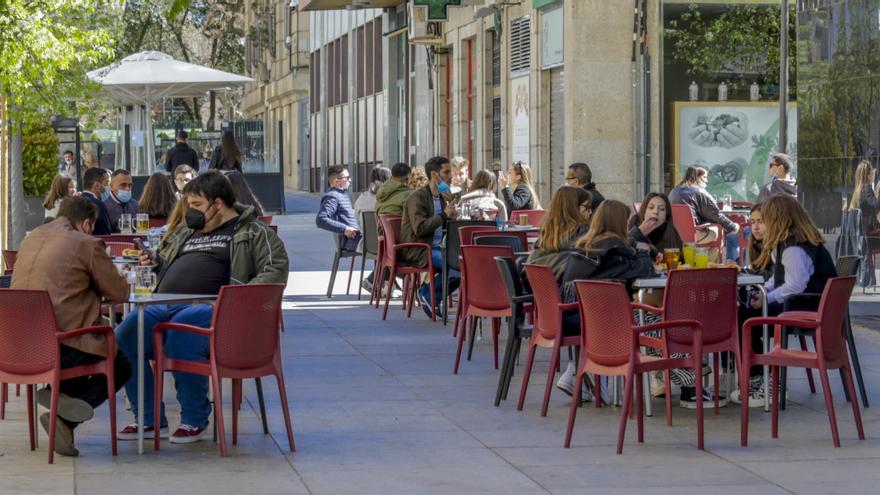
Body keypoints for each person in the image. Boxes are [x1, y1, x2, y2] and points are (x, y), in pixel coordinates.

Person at [114, 171, 289, 443]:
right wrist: (155, 263)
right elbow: (167, 263)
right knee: (125, 334)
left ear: (218, 203)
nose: (191, 211)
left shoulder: (253, 232)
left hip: (215, 309)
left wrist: (233, 300)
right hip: (165, 303)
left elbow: (275, 271)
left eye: (197, 205)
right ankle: (148, 419)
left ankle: (194, 418)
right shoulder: (187, 231)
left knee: (183, 330)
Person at [12, 196, 131, 457]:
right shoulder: (85, 243)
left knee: (82, 351)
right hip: (60, 346)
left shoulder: (31, 239)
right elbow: (119, 293)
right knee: (121, 363)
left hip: (17, 346)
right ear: (87, 224)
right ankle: (64, 417)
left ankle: (59, 400)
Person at [731, 195, 837, 407]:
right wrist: (763, 293)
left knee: (745, 317)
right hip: (807, 306)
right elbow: (777, 279)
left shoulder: (793, 249)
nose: (762, 224)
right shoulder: (788, 244)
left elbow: (795, 286)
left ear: (778, 219)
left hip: (806, 310)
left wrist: (766, 299)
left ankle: (765, 380)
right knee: (745, 310)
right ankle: (758, 376)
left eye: (766, 219)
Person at [555, 200, 654, 402]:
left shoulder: (583, 246)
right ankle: (682, 376)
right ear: (619, 223)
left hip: (570, 315)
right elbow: (643, 270)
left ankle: (581, 371)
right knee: (655, 320)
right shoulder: (613, 251)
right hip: (593, 321)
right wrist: (643, 251)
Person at [401, 156, 459, 318]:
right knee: (458, 266)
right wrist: (444, 215)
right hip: (419, 249)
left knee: (465, 264)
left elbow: (444, 227)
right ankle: (428, 293)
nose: (451, 176)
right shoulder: (417, 197)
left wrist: (453, 217)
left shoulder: (442, 198)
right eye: (446, 172)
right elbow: (420, 229)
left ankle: (430, 295)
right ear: (434, 175)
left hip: (438, 248)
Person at [668, 165, 740, 260]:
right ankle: (710, 265)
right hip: (695, 234)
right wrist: (733, 226)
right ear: (697, 178)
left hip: (675, 235)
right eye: (705, 177)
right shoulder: (699, 192)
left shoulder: (673, 191)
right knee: (718, 231)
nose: (707, 181)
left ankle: (698, 261)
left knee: (713, 231)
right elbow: (715, 215)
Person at [526, 186, 592, 282]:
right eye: (587, 207)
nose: (590, 211)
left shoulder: (544, 239)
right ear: (574, 209)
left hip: (543, 289)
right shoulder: (584, 236)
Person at [316, 165, 360, 252]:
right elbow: (320, 219)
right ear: (337, 181)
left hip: (357, 237)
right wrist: (344, 229)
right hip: (352, 240)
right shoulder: (332, 197)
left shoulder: (342, 195)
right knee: (382, 244)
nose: (350, 180)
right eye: (347, 178)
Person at [627, 192, 683, 259]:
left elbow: (680, 258)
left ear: (666, 217)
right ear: (644, 212)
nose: (656, 212)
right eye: (651, 207)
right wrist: (639, 232)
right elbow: (621, 247)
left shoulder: (670, 230)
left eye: (661, 209)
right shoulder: (635, 221)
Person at [81, 167, 114, 236]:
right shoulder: (98, 205)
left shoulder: (74, 202)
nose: (109, 187)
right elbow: (106, 234)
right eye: (107, 183)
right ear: (96, 185)